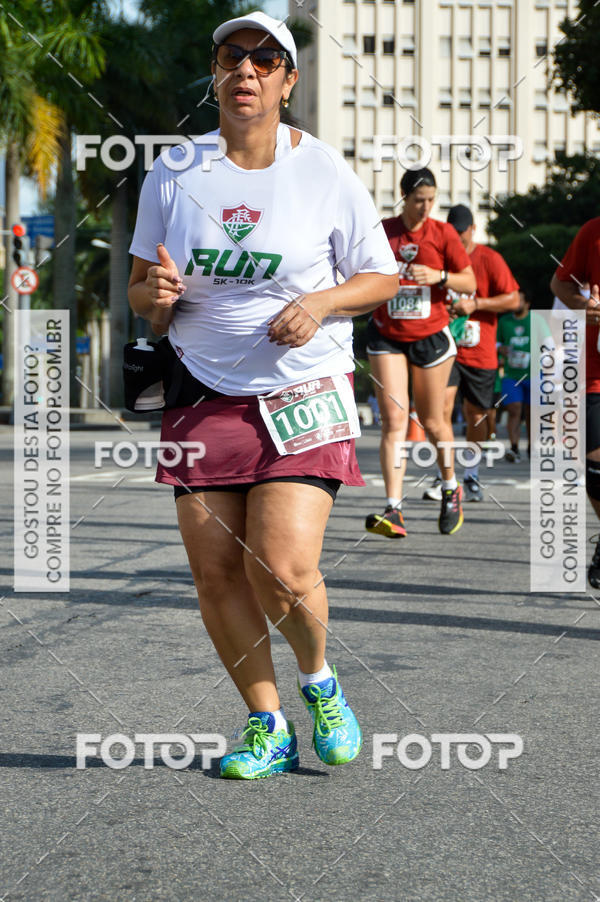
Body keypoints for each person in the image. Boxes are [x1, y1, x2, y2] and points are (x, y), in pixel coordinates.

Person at [127, 12, 398, 780]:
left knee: (279, 567)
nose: (245, 71)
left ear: (288, 79)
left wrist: (320, 303)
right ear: (214, 75)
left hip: (301, 387)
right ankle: (266, 723)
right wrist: (158, 296)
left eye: (264, 59)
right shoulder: (173, 171)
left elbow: (381, 277)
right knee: (215, 569)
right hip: (199, 386)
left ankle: (321, 684)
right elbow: (141, 288)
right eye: (231, 58)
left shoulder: (324, 171)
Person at [364, 168, 476, 537]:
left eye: (431, 200)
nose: (426, 207)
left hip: (430, 335)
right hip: (387, 333)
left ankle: (450, 487)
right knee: (394, 422)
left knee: (432, 421)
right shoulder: (385, 230)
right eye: (418, 200)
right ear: (403, 198)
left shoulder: (443, 233)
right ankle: (393, 508)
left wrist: (440, 276)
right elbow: (362, 273)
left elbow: (469, 282)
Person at [423, 205, 519, 502]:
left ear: (473, 230)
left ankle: (471, 475)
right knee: (441, 411)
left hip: (480, 353)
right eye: (453, 234)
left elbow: (513, 299)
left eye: (462, 234)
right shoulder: (440, 259)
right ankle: (445, 476)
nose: (458, 240)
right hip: (445, 349)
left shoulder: (490, 259)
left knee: (476, 415)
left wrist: (475, 305)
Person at [551, 220, 600, 588]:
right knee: (595, 469)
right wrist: (586, 306)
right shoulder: (592, 232)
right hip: (595, 369)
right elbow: (560, 284)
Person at [497, 292, 533, 462]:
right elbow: (496, 342)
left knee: (531, 412)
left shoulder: (536, 320)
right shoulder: (504, 321)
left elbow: (549, 343)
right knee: (514, 409)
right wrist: (500, 349)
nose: (516, 303)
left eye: (520, 299)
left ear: (528, 303)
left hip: (533, 373)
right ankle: (514, 448)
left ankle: (532, 447)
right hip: (511, 374)